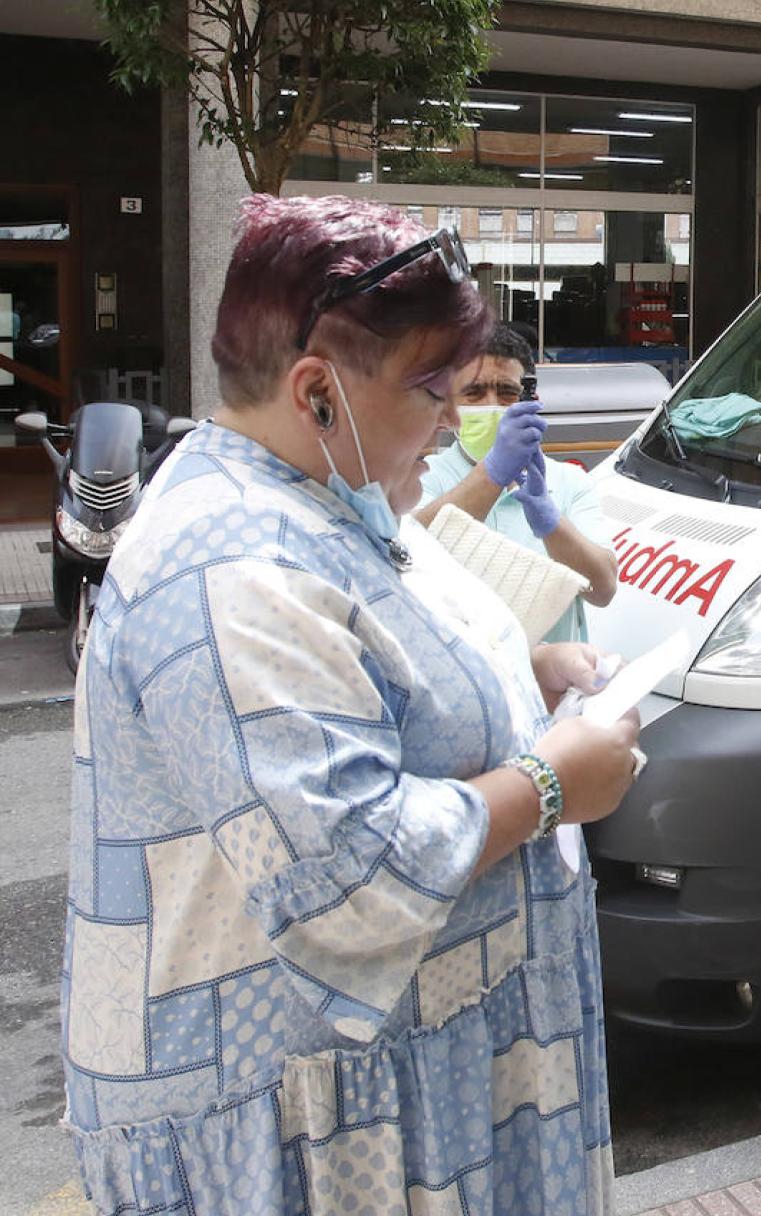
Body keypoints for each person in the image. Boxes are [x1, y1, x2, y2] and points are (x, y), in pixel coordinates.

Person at [59, 196, 641, 1214]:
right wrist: (550, 784)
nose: (458, 426)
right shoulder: (229, 566)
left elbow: (381, 665)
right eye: (435, 393)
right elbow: (346, 871)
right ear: (317, 391)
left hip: (406, 1078)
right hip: (309, 1122)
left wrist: (523, 672)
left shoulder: (324, 488)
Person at [414, 321, 618, 643]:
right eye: (474, 392)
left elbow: (603, 589)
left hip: (553, 683)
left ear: (531, 398)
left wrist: (551, 522)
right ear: (450, 404)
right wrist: (493, 474)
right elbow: (409, 554)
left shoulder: (569, 482)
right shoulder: (423, 478)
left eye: (507, 392)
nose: (491, 405)